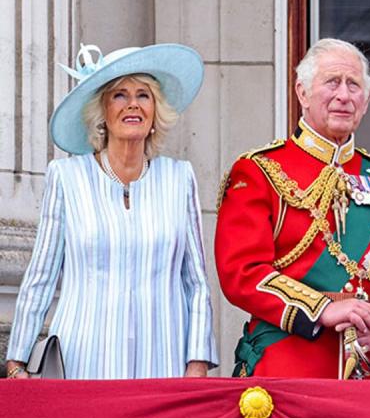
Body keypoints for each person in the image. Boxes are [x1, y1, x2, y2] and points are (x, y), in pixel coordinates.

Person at [215, 38, 370, 379]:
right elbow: (242, 272)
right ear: (302, 93)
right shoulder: (259, 171)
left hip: (369, 373)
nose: (343, 95)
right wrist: (322, 310)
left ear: (366, 101)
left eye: (354, 85)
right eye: (332, 82)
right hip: (286, 367)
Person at [5, 43, 217, 379]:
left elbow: (196, 282)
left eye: (143, 95)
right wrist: (17, 360)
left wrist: (198, 361)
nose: (133, 104)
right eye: (120, 94)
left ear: (155, 112)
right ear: (102, 111)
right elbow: (41, 275)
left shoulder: (179, 178)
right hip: (84, 359)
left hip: (163, 359)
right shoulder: (68, 177)